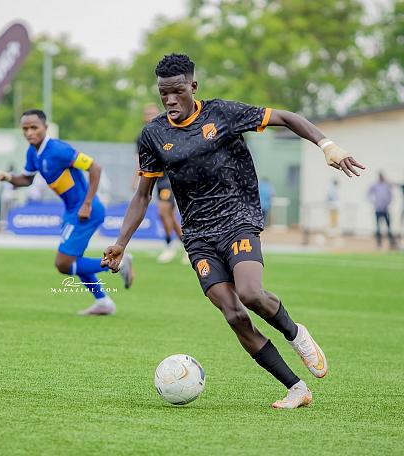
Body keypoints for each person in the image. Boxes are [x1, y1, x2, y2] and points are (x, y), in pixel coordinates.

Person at [102, 54, 365, 409]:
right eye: (164, 94)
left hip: (237, 219)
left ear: (193, 87)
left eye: (178, 91)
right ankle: (297, 388)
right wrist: (121, 243)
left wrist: (326, 145)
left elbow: (286, 117)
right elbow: (142, 195)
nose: (170, 100)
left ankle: (295, 334)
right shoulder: (154, 135)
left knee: (250, 293)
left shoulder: (222, 113)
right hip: (198, 236)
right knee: (234, 314)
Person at [0, 109, 133, 315]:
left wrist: (87, 203)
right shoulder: (33, 153)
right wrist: (7, 177)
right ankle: (103, 302)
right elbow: (26, 179)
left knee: (63, 264)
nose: (29, 132)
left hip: (86, 211)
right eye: (25, 129)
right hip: (72, 211)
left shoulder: (59, 150)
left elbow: (95, 168)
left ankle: (118, 263)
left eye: (34, 127)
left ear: (45, 127)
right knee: (75, 260)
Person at [138, 103, 184, 264]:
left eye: (152, 112)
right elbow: (140, 159)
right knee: (169, 215)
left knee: (163, 211)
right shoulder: (142, 136)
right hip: (156, 179)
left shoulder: (168, 131)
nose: (149, 116)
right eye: (147, 113)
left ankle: (169, 246)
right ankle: (187, 247)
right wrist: (137, 178)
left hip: (169, 179)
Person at [367, 172, 396, 249]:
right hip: (378, 209)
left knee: (388, 226)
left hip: (385, 209)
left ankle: (391, 242)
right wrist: (374, 202)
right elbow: (368, 193)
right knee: (378, 227)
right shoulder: (375, 185)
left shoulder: (386, 185)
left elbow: (391, 195)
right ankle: (379, 243)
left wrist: (388, 203)